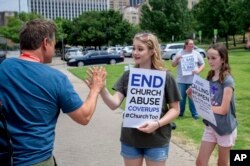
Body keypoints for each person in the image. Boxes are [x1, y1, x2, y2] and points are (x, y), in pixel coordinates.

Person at [0, 19, 106, 165]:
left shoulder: (4, 67)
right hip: (37, 160)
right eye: (54, 43)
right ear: (45, 43)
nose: (54, 47)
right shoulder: (56, 79)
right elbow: (84, 116)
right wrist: (95, 89)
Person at [88, 32, 181, 166]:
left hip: (157, 139)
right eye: (133, 48)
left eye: (140, 49)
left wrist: (157, 123)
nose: (135, 52)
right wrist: (101, 89)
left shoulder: (166, 77)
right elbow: (114, 104)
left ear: (151, 51)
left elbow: (175, 109)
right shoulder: (128, 76)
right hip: (131, 139)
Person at [187, 43, 237, 166]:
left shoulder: (228, 80)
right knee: (200, 162)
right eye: (208, 58)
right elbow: (205, 101)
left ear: (223, 59)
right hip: (211, 126)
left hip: (225, 128)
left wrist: (206, 107)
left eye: (213, 58)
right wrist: (192, 95)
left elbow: (223, 109)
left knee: (222, 163)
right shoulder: (210, 76)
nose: (210, 61)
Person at [172, 39, 205, 119]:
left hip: (193, 80)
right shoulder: (179, 53)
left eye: (193, 44)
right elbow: (173, 65)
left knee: (193, 98)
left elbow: (203, 64)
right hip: (181, 80)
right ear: (186, 45)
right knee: (181, 99)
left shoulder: (196, 53)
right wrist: (176, 59)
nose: (192, 45)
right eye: (190, 44)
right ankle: (180, 113)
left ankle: (195, 114)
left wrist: (198, 70)